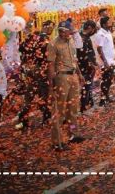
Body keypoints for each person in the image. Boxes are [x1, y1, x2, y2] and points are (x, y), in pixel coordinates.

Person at [47, 21, 86, 150]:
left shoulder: (71, 41)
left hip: (73, 75)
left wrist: (80, 74)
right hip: (61, 77)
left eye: (65, 31)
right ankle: (56, 141)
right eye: (61, 31)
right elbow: (51, 65)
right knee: (59, 110)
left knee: (73, 108)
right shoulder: (53, 44)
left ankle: (73, 134)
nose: (63, 33)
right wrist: (51, 86)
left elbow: (74, 60)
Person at [15, 20, 53, 130]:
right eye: (51, 28)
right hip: (41, 70)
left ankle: (23, 120)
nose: (51, 30)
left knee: (29, 95)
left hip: (29, 69)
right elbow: (48, 58)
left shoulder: (31, 37)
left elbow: (21, 49)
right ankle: (46, 119)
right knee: (44, 95)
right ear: (47, 27)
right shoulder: (46, 40)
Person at [91, 16, 115, 106]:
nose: (111, 23)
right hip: (105, 62)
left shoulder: (108, 32)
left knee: (109, 80)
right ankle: (102, 100)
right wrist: (105, 62)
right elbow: (99, 49)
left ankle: (106, 97)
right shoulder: (100, 34)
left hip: (110, 60)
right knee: (105, 80)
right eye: (109, 22)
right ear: (104, 24)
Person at [76, 20, 98, 113]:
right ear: (89, 28)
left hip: (89, 68)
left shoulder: (85, 37)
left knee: (89, 86)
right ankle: (83, 109)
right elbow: (83, 55)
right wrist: (92, 64)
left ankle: (90, 104)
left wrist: (94, 63)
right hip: (85, 68)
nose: (94, 31)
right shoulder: (82, 38)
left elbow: (90, 53)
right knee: (86, 87)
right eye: (94, 29)